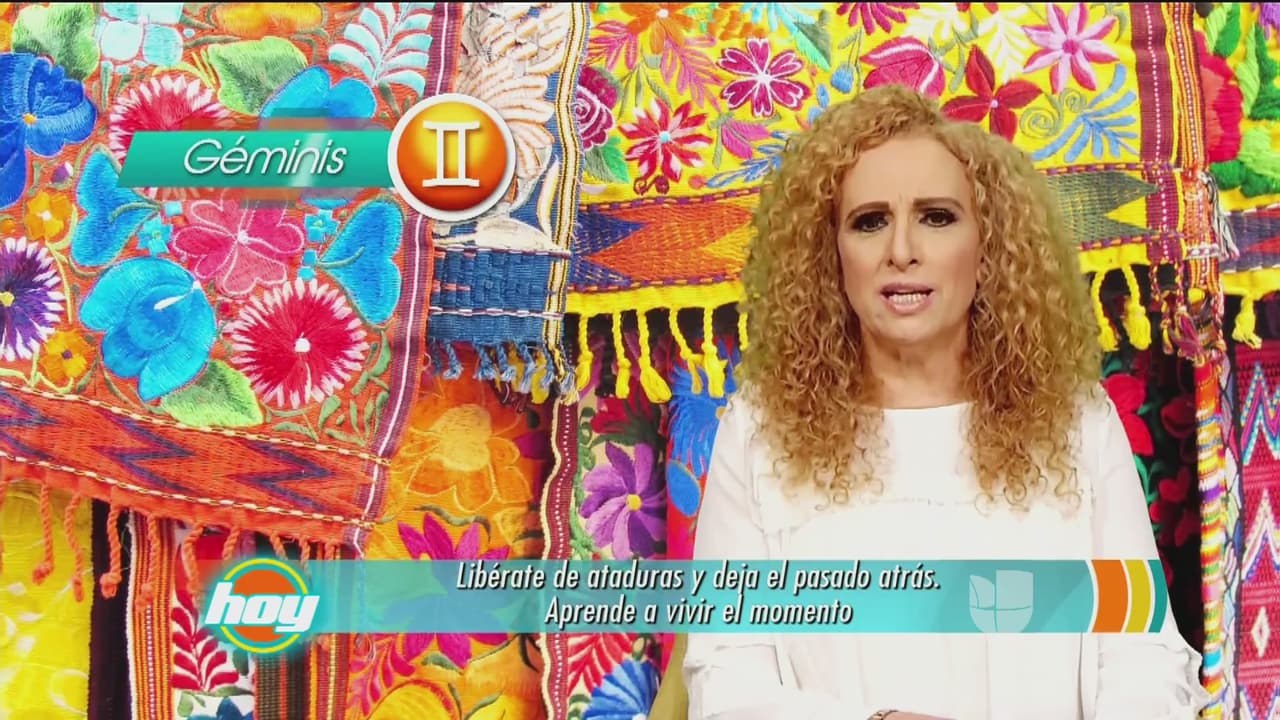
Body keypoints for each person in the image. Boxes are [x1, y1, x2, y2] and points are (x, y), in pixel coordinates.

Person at [681, 85, 1211, 719]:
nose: (902, 250)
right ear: (830, 256)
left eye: (936, 217)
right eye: (870, 221)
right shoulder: (760, 432)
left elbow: (1144, 659)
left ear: (987, 248)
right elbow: (726, 675)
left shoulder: (1075, 420)